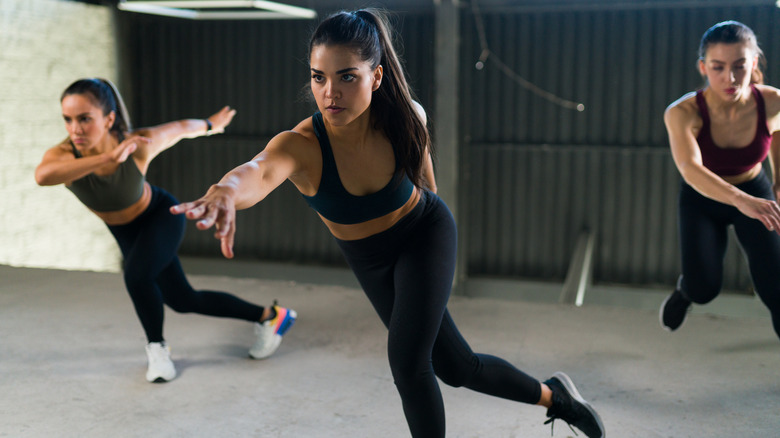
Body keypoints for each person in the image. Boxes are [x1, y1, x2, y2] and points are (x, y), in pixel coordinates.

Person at [171, 9, 604, 437]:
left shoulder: (404, 117)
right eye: (319, 77)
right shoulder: (302, 146)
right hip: (371, 261)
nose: (330, 92)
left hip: (424, 234)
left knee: (409, 364)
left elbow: (429, 188)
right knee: (456, 366)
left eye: (347, 76)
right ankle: (558, 398)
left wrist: (432, 260)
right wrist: (225, 192)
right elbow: (259, 170)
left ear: (375, 77)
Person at [34, 78, 297, 383]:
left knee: (136, 277)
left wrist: (212, 124)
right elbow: (43, 176)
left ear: (108, 119)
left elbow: (180, 128)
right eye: (68, 119)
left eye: (84, 119)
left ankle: (157, 350)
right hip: (127, 234)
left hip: (160, 216)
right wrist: (106, 158)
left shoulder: (137, 144)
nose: (75, 129)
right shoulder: (65, 155)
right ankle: (271, 317)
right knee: (183, 299)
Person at [661, 21, 780, 339]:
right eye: (718, 67)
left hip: (755, 188)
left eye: (740, 66)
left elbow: (778, 138)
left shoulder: (772, 103)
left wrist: (778, 186)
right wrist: (741, 200)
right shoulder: (683, 112)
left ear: (753, 63)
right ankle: (686, 292)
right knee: (705, 288)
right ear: (703, 67)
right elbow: (689, 168)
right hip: (703, 197)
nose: (730, 78)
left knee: (777, 289)